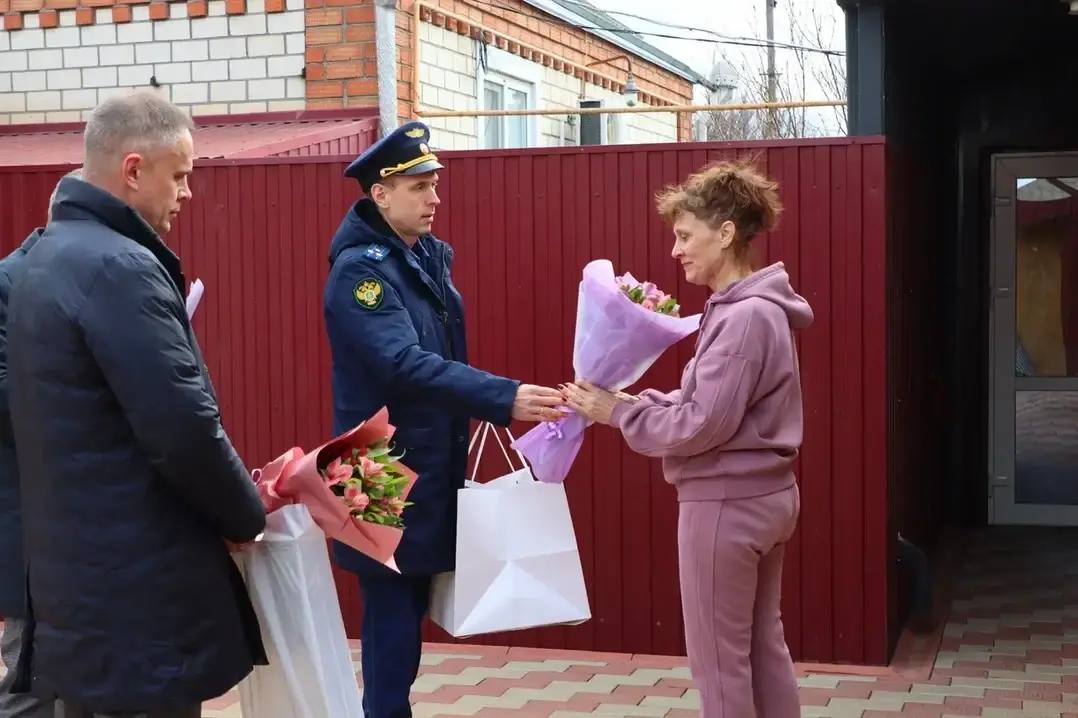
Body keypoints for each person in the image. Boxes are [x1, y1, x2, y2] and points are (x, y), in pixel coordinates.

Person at [5, 91, 267, 718]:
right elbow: (183, 428)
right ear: (132, 169)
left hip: (75, 584)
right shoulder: (121, 267)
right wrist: (246, 515)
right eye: (179, 176)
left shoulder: (42, 260)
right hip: (141, 594)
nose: (187, 193)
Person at [323, 120, 563, 718]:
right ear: (380, 194)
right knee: (391, 623)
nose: (434, 197)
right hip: (375, 466)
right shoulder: (361, 272)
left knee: (410, 618)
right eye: (418, 186)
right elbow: (402, 363)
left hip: (421, 455)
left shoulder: (422, 255)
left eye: (434, 183)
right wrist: (502, 397)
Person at [563, 160, 812, 718]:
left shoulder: (743, 317)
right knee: (761, 646)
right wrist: (634, 402)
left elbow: (703, 424)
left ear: (725, 233)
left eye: (684, 235)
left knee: (719, 664)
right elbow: (711, 404)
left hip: (726, 505)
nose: (675, 251)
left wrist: (616, 414)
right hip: (765, 497)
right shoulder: (754, 309)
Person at [0, 169, 80, 718]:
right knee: (30, 686)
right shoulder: (9, 282)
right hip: (30, 522)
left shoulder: (90, 280)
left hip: (85, 528)